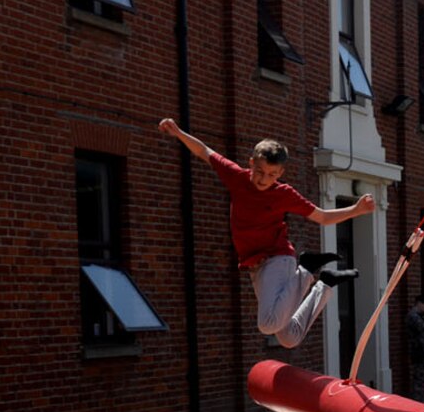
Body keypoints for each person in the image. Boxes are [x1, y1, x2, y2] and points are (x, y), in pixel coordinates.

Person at [156, 119, 368, 347]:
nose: (264, 179)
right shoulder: (237, 177)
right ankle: (324, 284)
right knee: (289, 337)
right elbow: (204, 151)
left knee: (267, 324)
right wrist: (178, 133)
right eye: (260, 171)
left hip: (277, 258)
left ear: (280, 173)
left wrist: (356, 209)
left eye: (272, 174)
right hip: (255, 265)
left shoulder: (283, 193)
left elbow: (322, 216)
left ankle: (306, 268)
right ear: (251, 164)